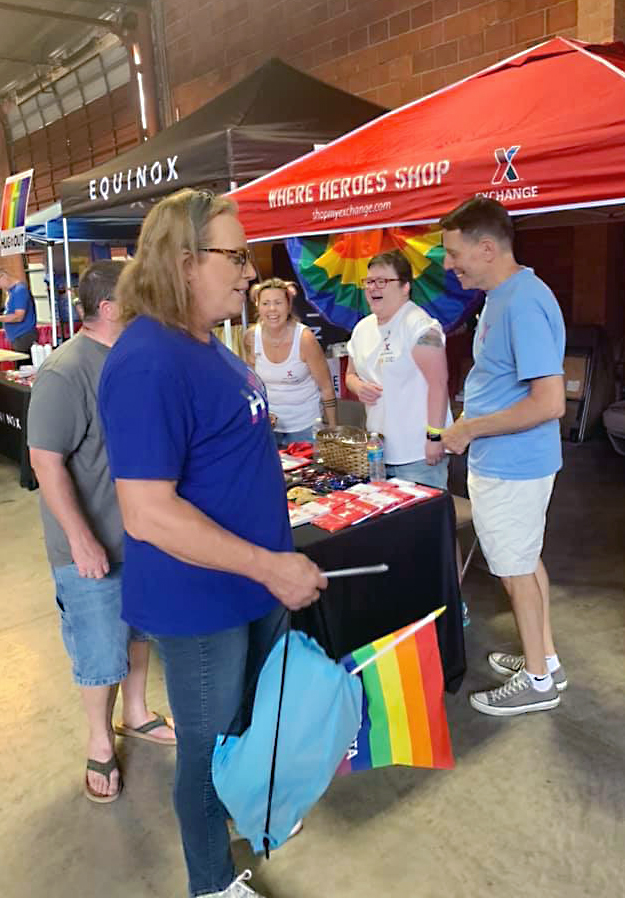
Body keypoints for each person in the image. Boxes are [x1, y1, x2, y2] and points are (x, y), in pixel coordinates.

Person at [98, 188, 326, 898]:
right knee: (206, 750)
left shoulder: (205, 344)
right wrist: (269, 565)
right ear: (185, 261)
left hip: (248, 588)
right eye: (236, 255)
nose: (250, 272)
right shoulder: (146, 361)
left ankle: (232, 828)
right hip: (201, 604)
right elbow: (147, 513)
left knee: (239, 732)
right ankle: (211, 884)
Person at [27, 260, 176, 805]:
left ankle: (135, 714)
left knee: (137, 633)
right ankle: (99, 740)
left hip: (140, 534)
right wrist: (83, 539)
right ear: (111, 309)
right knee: (99, 649)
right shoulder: (67, 371)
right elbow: (45, 461)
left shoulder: (132, 361)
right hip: (89, 546)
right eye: (141, 299)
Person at [440, 196, 566, 717]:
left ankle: (538, 681)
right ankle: (547, 660)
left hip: (513, 466)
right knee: (526, 563)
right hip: (506, 463)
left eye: (453, 253)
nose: (449, 265)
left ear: (486, 248)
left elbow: (549, 401)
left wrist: (469, 428)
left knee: (515, 573)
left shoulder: (523, 301)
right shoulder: (502, 296)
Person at [345, 249, 451, 488]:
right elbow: (350, 374)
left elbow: (439, 384)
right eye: (369, 282)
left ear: (405, 287)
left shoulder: (420, 326)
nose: (373, 288)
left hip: (417, 455)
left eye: (382, 281)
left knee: (422, 524)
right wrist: (358, 386)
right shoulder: (362, 328)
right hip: (378, 454)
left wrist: (434, 437)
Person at [243, 277, 337, 447]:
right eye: (266, 303)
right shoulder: (251, 337)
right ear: (258, 306)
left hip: (306, 426)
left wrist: (332, 431)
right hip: (269, 427)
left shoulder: (305, 338)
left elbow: (326, 387)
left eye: (278, 302)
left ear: (288, 306)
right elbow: (252, 386)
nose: (272, 309)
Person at [0, 267, 37, 353]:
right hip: (17, 337)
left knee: (24, 364)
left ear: (3, 277)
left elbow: (18, 317)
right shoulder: (11, 292)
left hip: (23, 336)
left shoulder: (19, 291)